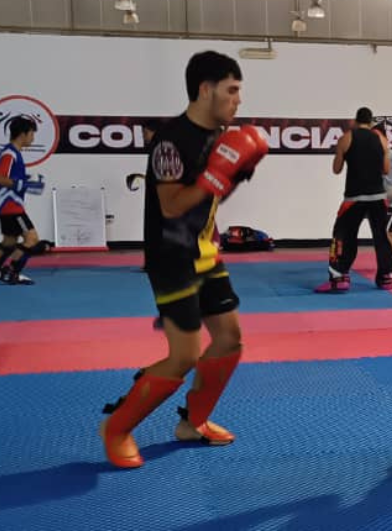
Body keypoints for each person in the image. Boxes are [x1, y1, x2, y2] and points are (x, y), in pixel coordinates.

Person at [99, 50, 269, 469]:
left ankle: (193, 422)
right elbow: (173, 205)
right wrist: (218, 175)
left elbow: (208, 198)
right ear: (206, 89)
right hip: (171, 257)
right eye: (232, 90)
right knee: (185, 355)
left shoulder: (221, 137)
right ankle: (117, 428)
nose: (238, 100)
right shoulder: (170, 141)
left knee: (230, 340)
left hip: (205, 250)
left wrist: (232, 174)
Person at [314, 107, 392, 293]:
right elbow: (386, 169)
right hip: (378, 196)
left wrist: (343, 155)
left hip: (355, 197)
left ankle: (339, 277)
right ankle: (386, 277)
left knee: (343, 235)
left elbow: (336, 169)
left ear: (355, 120)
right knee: (382, 237)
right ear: (371, 121)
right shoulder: (381, 139)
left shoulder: (347, 137)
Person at [0, 117, 48, 285]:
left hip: (6, 205)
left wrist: (28, 181)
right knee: (32, 239)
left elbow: (9, 178)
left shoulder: (13, 153)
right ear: (23, 134)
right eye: (32, 134)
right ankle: (12, 272)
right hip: (11, 206)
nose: (33, 138)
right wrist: (21, 183)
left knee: (9, 241)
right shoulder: (10, 154)